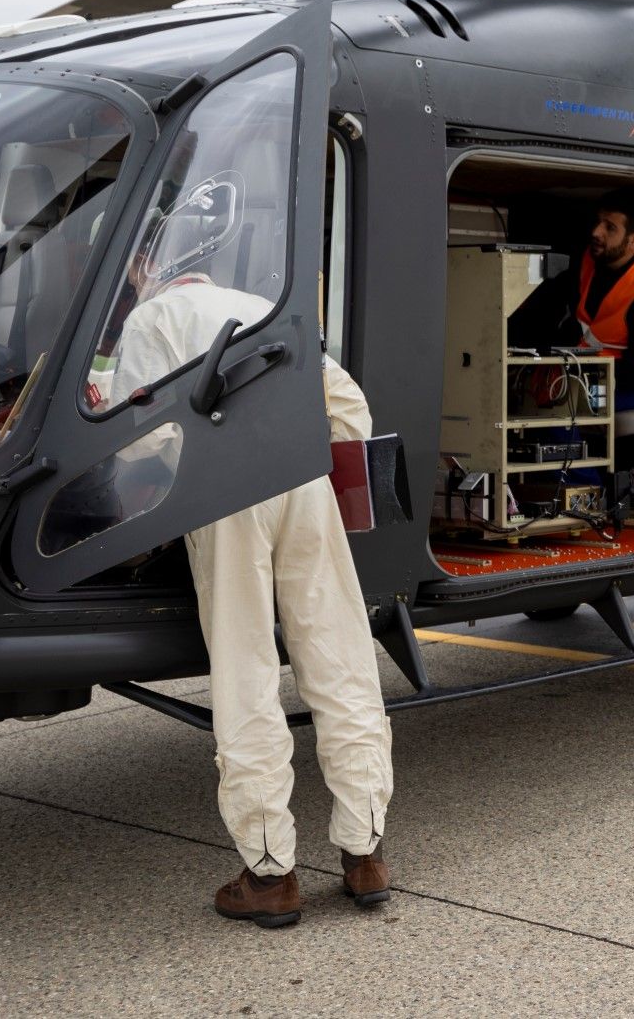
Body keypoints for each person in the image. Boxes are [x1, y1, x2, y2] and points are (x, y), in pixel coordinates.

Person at [107, 231, 394, 928]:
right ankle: (365, 854)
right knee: (340, 659)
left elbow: (137, 441)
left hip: (222, 492)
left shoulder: (151, 321)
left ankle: (270, 873)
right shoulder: (267, 308)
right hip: (304, 483)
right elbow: (350, 405)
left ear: (149, 268)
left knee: (247, 673)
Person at [510, 189, 634, 410]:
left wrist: (580, 380)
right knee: (533, 394)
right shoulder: (589, 261)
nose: (596, 232)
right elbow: (553, 309)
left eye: (610, 228)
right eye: (598, 222)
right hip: (602, 375)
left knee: (566, 405)